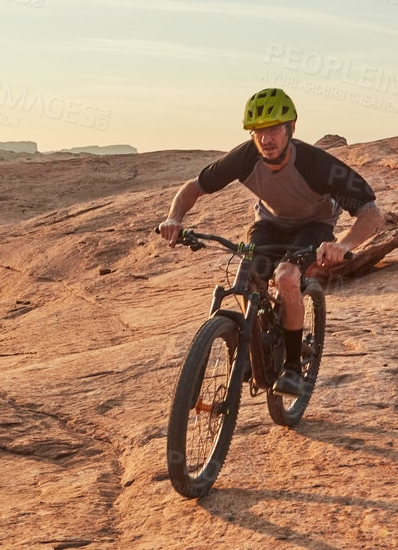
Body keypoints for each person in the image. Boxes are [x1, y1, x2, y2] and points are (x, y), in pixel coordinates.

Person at [159, 88, 382, 397]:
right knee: (246, 276)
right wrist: (174, 218)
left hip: (313, 225)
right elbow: (194, 188)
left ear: (290, 128)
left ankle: (292, 366)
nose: (266, 139)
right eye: (258, 131)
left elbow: (371, 212)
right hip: (269, 224)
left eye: (274, 128)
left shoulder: (316, 164)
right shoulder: (245, 157)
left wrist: (343, 244)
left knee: (286, 277)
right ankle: (250, 349)